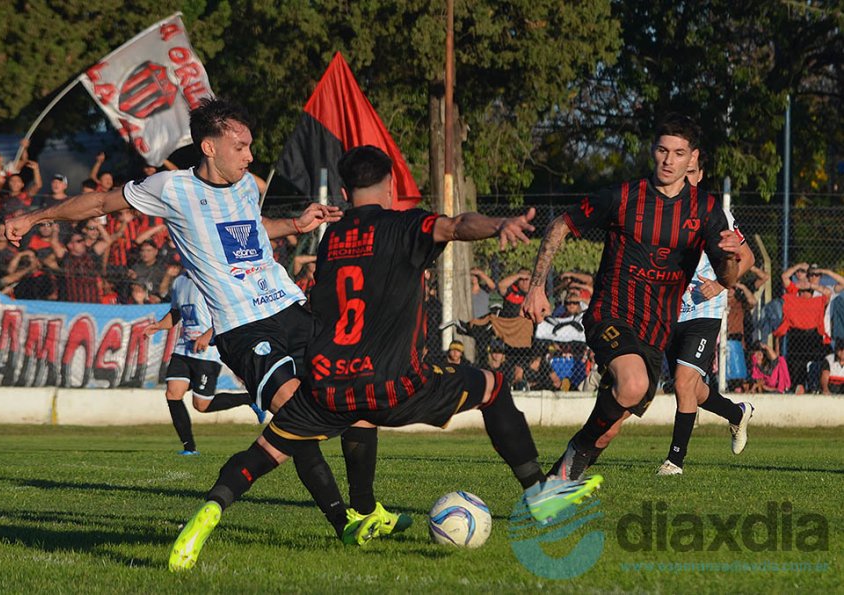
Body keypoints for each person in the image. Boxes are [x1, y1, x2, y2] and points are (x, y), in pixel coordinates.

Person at [166, 145, 602, 571]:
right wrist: (498, 224)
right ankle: (538, 493)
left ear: (342, 192)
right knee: (492, 387)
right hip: (394, 384)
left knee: (265, 452)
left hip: (328, 388)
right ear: (391, 186)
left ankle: (210, 510)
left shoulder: (333, 238)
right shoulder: (403, 225)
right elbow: (455, 226)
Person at [6, 96, 349, 562]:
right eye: (241, 146)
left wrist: (293, 223)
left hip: (291, 307)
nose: (250, 155)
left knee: (350, 392)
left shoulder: (247, 184)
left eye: (251, 147)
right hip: (242, 325)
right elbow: (100, 204)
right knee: (293, 412)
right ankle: (343, 521)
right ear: (209, 146)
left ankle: (364, 512)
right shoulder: (170, 188)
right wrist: (34, 217)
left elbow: (248, 230)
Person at [520, 113, 743, 481]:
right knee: (634, 384)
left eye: (679, 152)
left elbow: (726, 277)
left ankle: (552, 491)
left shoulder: (706, 210)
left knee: (609, 429)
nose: (669, 160)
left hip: (656, 332)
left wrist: (731, 256)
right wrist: (536, 286)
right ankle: (571, 458)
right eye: (662, 150)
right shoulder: (623, 197)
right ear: (653, 152)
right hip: (612, 314)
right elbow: (561, 224)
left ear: (693, 158)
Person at [583, 158, 757, 475]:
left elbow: (747, 257)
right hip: (665, 309)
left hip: (704, 310)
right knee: (690, 387)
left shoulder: (714, 213)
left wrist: (719, 284)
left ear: (700, 174)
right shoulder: (657, 208)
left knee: (683, 382)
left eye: (691, 172)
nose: (683, 176)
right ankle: (735, 413)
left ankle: (675, 461)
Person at [145, 269, 266, 455]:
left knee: (201, 405)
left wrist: (208, 335)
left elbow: (229, 313)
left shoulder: (211, 278)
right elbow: (176, 312)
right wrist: (160, 325)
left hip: (207, 351)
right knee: (172, 393)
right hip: (184, 348)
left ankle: (249, 399)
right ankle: (189, 448)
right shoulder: (179, 282)